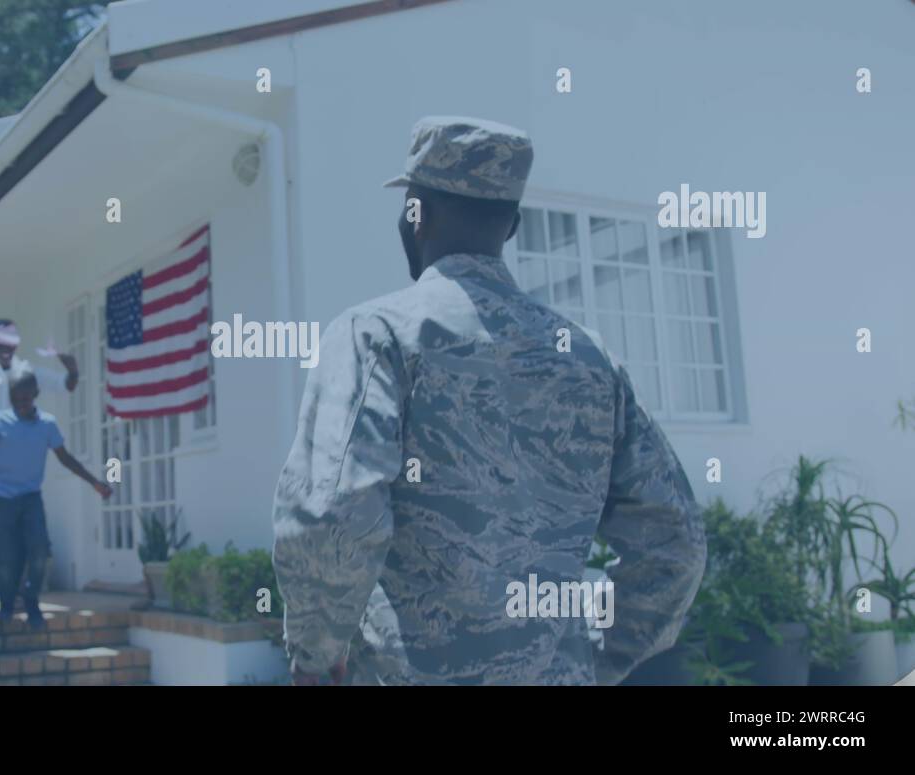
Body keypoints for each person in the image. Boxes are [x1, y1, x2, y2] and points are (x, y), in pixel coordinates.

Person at [271, 116, 706, 686]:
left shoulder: (376, 336)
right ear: (513, 226)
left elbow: (332, 517)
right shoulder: (591, 359)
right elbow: (675, 543)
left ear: (414, 216)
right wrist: (594, 658)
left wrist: (315, 654)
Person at [0, 368, 109, 628]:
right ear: (10, 397)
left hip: (30, 497)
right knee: (6, 558)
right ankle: (6, 606)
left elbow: (65, 459)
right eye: (16, 400)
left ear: (35, 395)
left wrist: (94, 482)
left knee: (40, 551)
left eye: (26, 399)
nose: (21, 405)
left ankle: (30, 599)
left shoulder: (47, 424)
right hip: (1, 497)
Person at [0, 318, 79, 611]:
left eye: (11, 341)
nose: (6, 346)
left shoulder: (27, 371)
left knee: (19, 531)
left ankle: (18, 595)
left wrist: (72, 369)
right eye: (0, 341)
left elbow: (65, 385)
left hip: (16, 462)